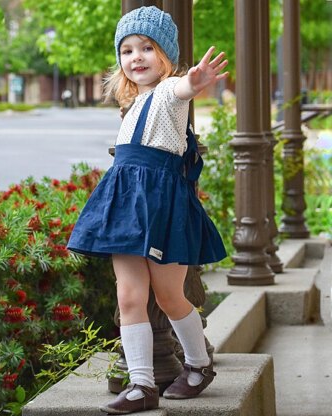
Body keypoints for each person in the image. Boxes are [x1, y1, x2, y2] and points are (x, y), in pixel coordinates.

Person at [67, 6, 228, 415]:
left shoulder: (166, 94)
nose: (136, 57)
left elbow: (181, 91)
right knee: (128, 295)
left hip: (161, 206)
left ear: (167, 58)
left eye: (147, 48)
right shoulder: (133, 103)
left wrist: (192, 82)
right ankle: (141, 384)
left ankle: (198, 365)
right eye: (127, 50)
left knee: (170, 295)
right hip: (126, 206)